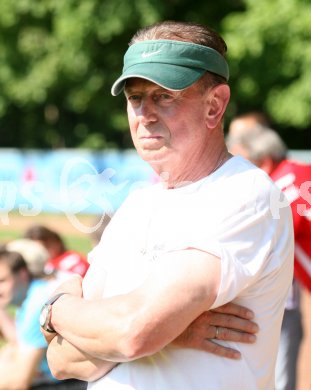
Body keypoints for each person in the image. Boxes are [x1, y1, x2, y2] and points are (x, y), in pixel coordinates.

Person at [42, 20, 293, 389]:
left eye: (164, 96)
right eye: (135, 98)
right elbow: (60, 360)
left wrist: (55, 309)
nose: (145, 114)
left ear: (215, 105)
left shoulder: (246, 193)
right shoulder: (138, 203)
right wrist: (169, 334)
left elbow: (132, 332)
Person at [227, 124, 311, 390]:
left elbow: (255, 241)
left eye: (238, 165)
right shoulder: (300, 171)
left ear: (263, 162)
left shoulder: (279, 190)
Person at [0, 239, 88, 390]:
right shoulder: (34, 293)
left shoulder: (37, 306)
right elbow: (17, 345)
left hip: (75, 382)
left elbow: (19, 383)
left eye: (2, 280)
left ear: (22, 274)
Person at [24, 225, 89, 278]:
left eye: (45, 246)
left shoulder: (72, 259)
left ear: (56, 242)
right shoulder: (38, 263)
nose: (41, 251)